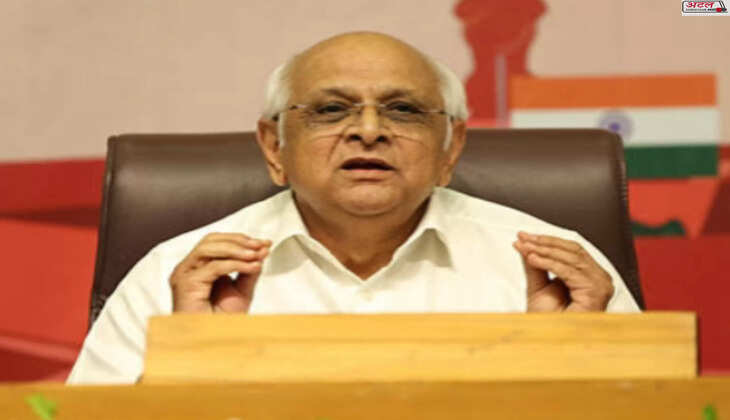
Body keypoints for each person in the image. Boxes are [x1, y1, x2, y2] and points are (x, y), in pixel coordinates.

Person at [67, 32, 639, 384]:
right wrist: (190, 366)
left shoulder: (559, 272)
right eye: (331, 110)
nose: (368, 130)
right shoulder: (181, 275)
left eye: (403, 110)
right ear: (274, 147)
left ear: (451, 148)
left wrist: (562, 364)